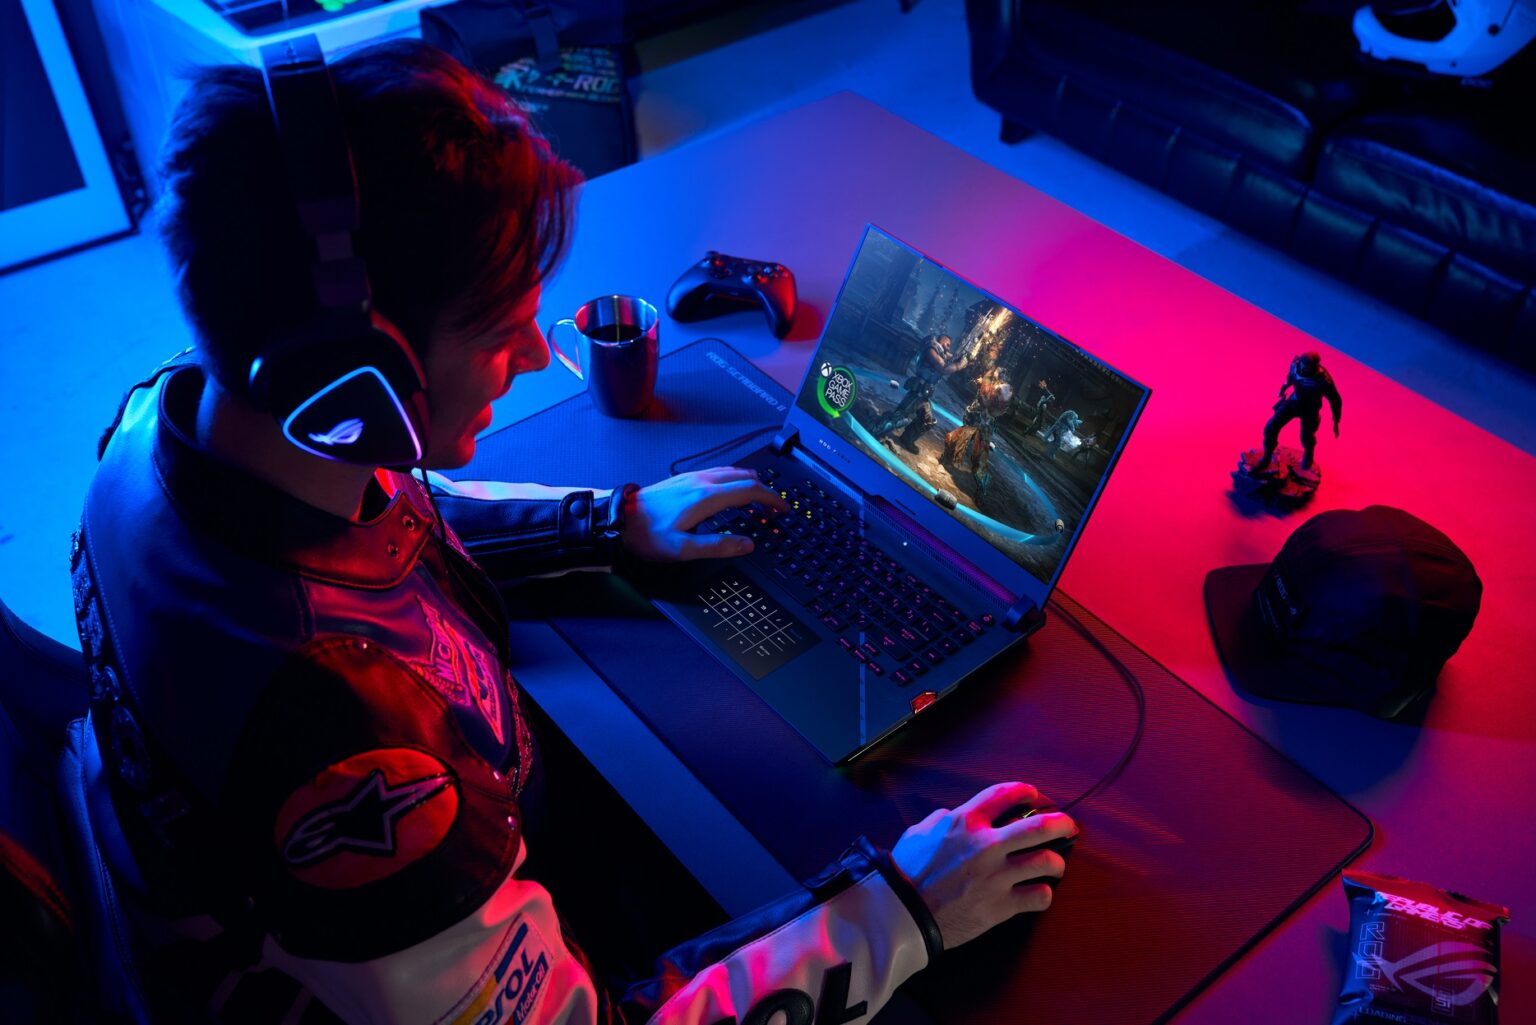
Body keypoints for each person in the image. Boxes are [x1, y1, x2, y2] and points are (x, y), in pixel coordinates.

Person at [67, 42, 1075, 1025]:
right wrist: (900, 915)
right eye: (498, 330)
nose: (532, 357)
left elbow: (390, 512)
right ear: (357, 379)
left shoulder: (168, 428)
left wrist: (610, 521)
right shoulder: (352, 754)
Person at [872, 333, 972, 452]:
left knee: (926, 420)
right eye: (947, 344)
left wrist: (962, 357)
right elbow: (943, 368)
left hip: (924, 394)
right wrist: (959, 365)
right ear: (942, 341)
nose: (948, 348)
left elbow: (950, 357)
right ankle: (876, 429)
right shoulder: (931, 349)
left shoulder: (939, 351)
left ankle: (907, 439)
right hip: (918, 391)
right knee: (902, 417)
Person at [1254, 351, 1343, 472]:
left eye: (1310, 366)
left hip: (1310, 410)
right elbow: (1290, 377)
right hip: (1294, 402)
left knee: (1306, 436)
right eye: (1304, 365)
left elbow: (1335, 400)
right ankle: (1267, 458)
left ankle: (1308, 455)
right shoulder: (1295, 366)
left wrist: (1336, 419)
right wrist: (1284, 387)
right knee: (1271, 427)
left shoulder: (1323, 380)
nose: (1306, 368)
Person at [943, 367, 1013, 506]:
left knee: (980, 459)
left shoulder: (1003, 390)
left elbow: (994, 409)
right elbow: (983, 399)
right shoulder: (990, 383)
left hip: (985, 424)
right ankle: (946, 457)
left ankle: (981, 491)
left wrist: (988, 393)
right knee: (957, 439)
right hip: (975, 418)